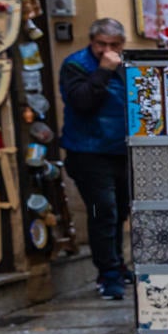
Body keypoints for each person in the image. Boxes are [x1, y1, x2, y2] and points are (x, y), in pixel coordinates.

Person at [59, 18, 131, 299]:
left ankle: (118, 263)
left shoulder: (127, 65)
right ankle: (108, 274)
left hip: (121, 149)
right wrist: (103, 71)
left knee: (121, 210)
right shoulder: (76, 65)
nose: (107, 50)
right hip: (88, 151)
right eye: (101, 44)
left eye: (114, 45)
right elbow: (82, 101)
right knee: (104, 210)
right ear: (92, 42)